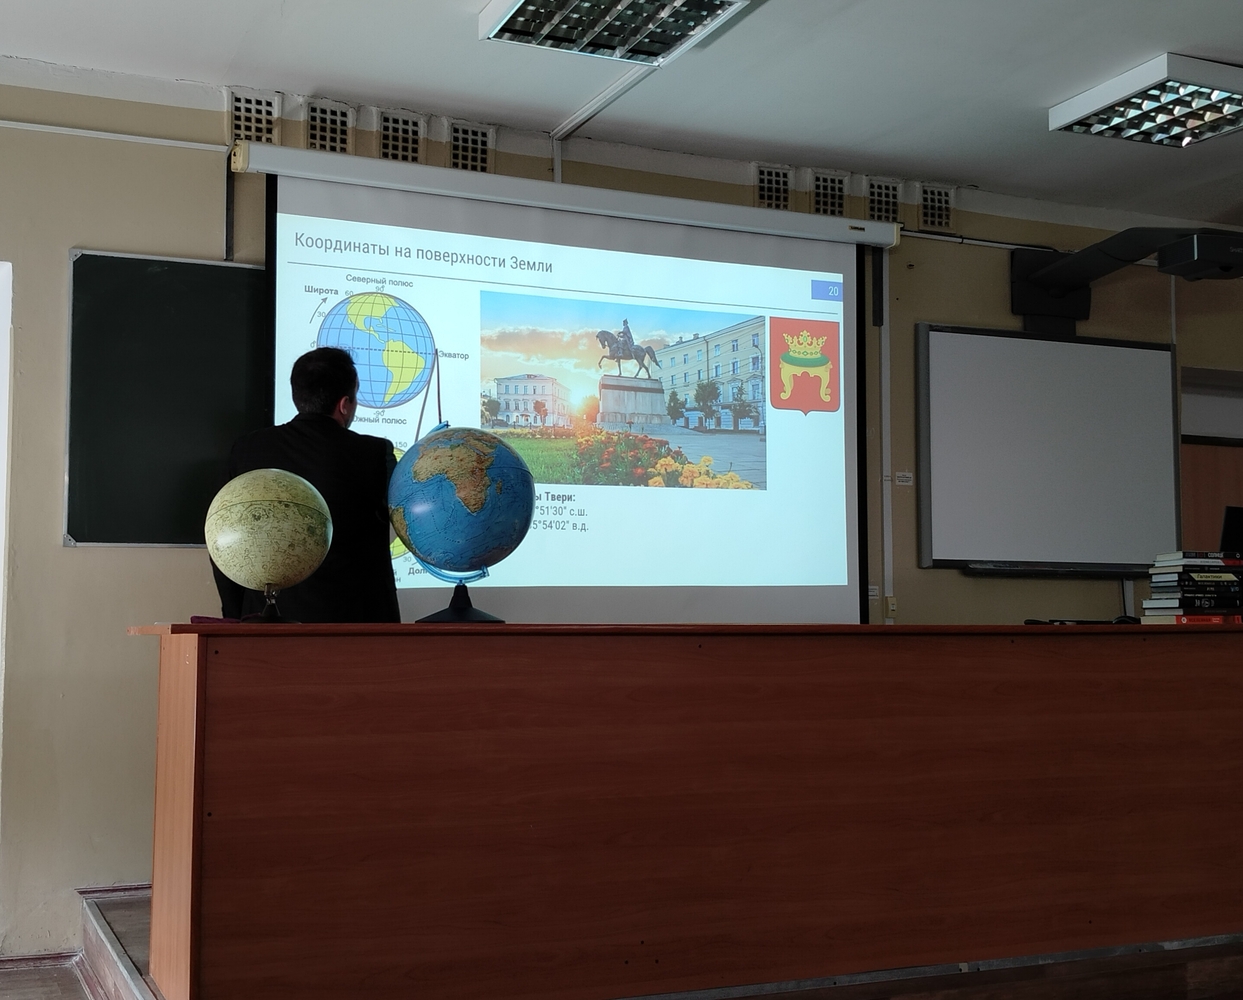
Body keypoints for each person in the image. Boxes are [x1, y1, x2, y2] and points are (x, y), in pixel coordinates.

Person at [212, 347, 401, 622]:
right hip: (356, 630)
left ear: (297, 396)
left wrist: (235, 618)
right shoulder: (373, 454)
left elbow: (221, 539)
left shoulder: (247, 450)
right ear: (344, 404)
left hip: (266, 627)